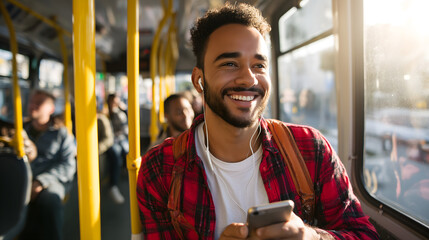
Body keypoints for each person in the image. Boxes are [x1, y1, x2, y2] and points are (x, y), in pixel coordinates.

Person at [137, 3, 379, 240]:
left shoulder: (310, 149)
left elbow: (363, 234)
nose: (248, 78)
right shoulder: (161, 168)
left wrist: (312, 237)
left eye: (259, 65)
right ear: (199, 80)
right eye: (230, 64)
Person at [19, 89, 76, 240]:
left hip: (50, 180)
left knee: (50, 200)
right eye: (31, 102)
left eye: (38, 103)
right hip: (22, 177)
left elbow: (68, 165)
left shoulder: (61, 134)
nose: (33, 106)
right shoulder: (20, 130)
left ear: (51, 109)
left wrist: (41, 181)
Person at [97, 100, 124, 204]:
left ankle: (113, 185)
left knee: (115, 154)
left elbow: (108, 139)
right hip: (95, 147)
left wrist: (97, 149)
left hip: (105, 145)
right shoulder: (81, 120)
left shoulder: (102, 119)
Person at [107, 93, 129, 166]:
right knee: (116, 152)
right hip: (111, 139)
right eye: (113, 102)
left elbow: (125, 128)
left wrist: (124, 109)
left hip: (120, 137)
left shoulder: (120, 113)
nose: (114, 104)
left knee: (126, 150)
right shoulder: (106, 113)